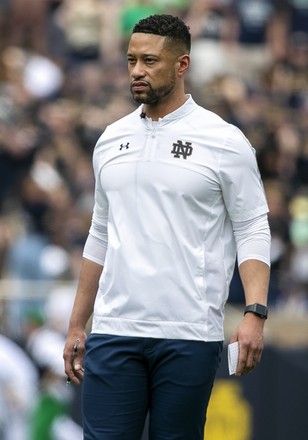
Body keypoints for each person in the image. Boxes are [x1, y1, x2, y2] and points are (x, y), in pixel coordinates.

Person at [63, 13, 271, 440]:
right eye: (132, 60)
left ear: (182, 65)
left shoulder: (225, 141)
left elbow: (252, 228)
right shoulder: (110, 139)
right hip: (114, 329)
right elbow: (99, 233)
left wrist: (255, 313)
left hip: (189, 333)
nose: (138, 70)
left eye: (150, 61)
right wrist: (77, 324)